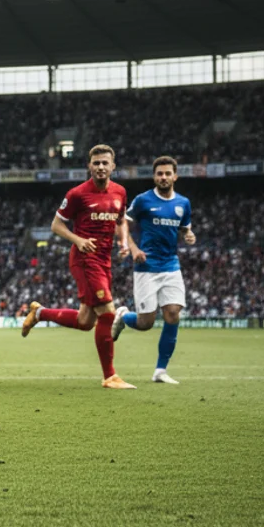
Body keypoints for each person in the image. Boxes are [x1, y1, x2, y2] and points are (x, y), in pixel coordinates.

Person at [21, 144, 135, 390]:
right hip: (84, 259)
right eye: (96, 163)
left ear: (113, 166)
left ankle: (39, 313)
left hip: (104, 260)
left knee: (85, 321)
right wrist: (79, 240)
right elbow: (56, 225)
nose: (101, 167)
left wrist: (124, 242)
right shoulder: (77, 194)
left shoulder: (120, 192)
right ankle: (110, 376)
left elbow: (121, 220)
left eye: (105, 163)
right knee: (107, 312)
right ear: (89, 166)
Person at [113, 155, 195, 384]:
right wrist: (133, 248)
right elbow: (122, 225)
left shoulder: (183, 204)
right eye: (160, 173)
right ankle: (123, 316)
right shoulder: (143, 200)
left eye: (168, 173)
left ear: (175, 176)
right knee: (145, 323)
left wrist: (189, 235)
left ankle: (160, 370)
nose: (164, 177)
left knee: (172, 314)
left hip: (171, 266)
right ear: (154, 176)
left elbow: (184, 230)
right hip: (146, 267)